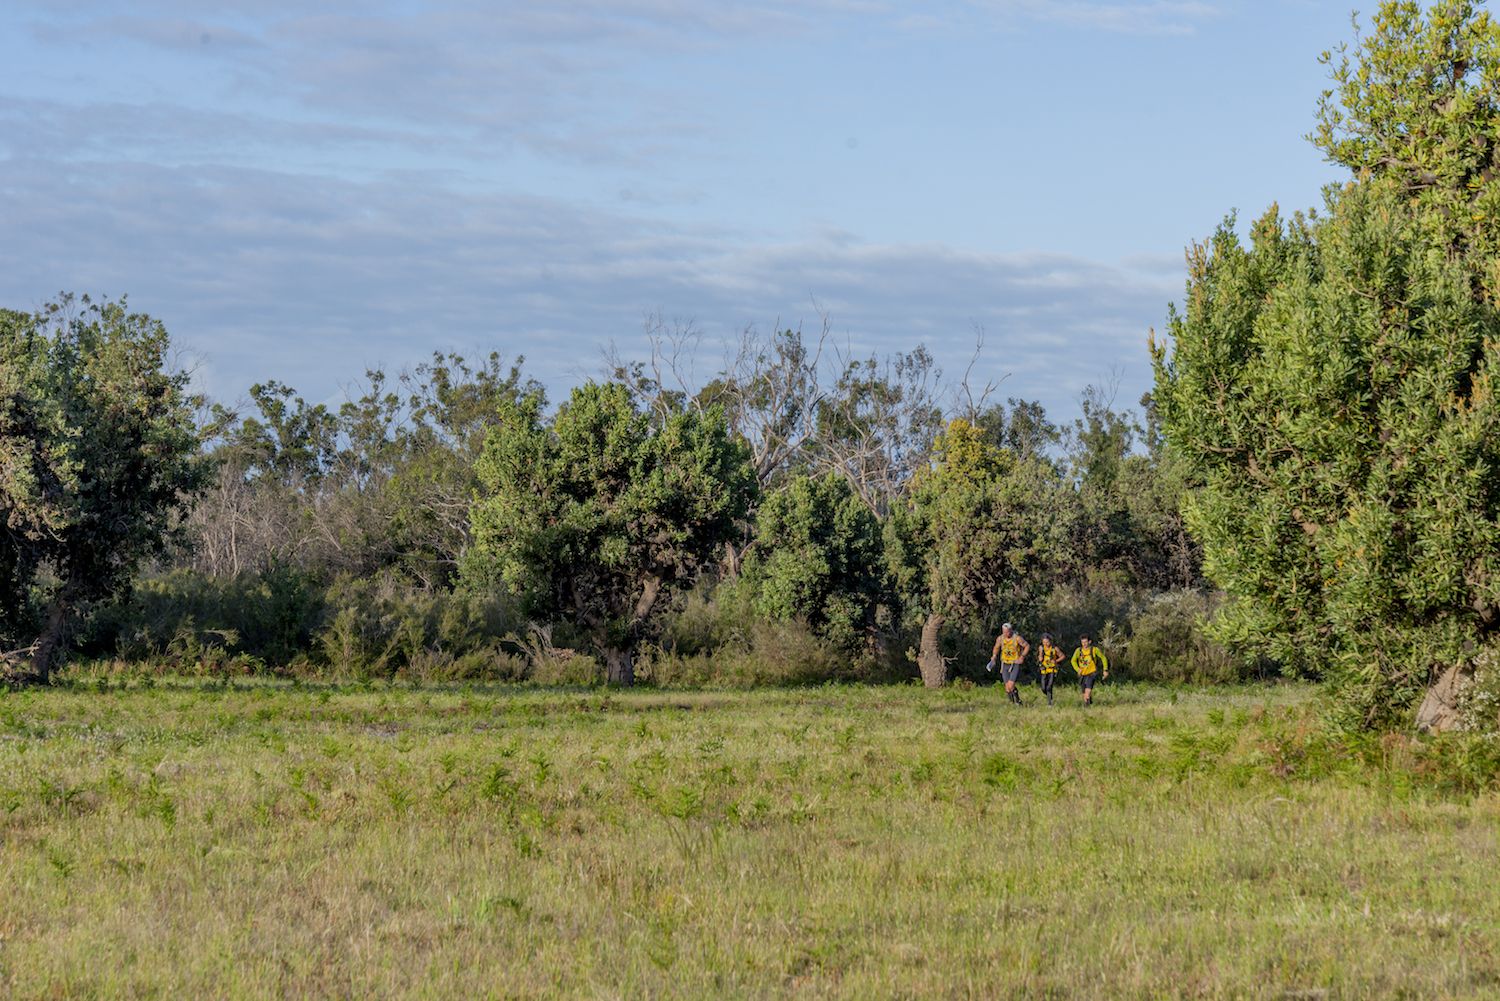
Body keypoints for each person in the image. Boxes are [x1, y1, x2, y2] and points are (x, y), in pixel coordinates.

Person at [986, 623, 1031, 706]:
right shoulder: (1000, 638)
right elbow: (996, 647)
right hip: (1005, 663)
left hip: (1014, 663)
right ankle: (1013, 703)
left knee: (1011, 684)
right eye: (1004, 632)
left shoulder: (1017, 638)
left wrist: (1022, 657)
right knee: (1007, 688)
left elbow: (1027, 646)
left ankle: (1017, 701)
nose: (1005, 634)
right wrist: (994, 656)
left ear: (1011, 630)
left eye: (1007, 632)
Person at [1070, 634, 1109, 706]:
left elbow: (1103, 658)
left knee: (1088, 690)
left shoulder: (1094, 650)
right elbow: (1073, 661)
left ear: (1089, 642)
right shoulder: (1078, 651)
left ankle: (1086, 707)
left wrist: (1105, 670)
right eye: (1082, 642)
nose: (1084, 644)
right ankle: (1088, 702)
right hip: (1082, 674)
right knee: (1084, 693)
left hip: (1092, 673)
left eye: (1085, 642)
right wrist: (1077, 669)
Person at [1036, 633, 1064, 705]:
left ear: (1050, 641)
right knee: (1043, 687)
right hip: (1044, 669)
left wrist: (1056, 661)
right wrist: (1040, 658)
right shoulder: (1041, 648)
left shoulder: (1055, 648)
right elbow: (1040, 656)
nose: (1046, 644)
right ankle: (1048, 695)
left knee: (1049, 686)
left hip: (1052, 669)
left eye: (1047, 642)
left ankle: (1049, 702)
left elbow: (1062, 656)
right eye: (1044, 642)